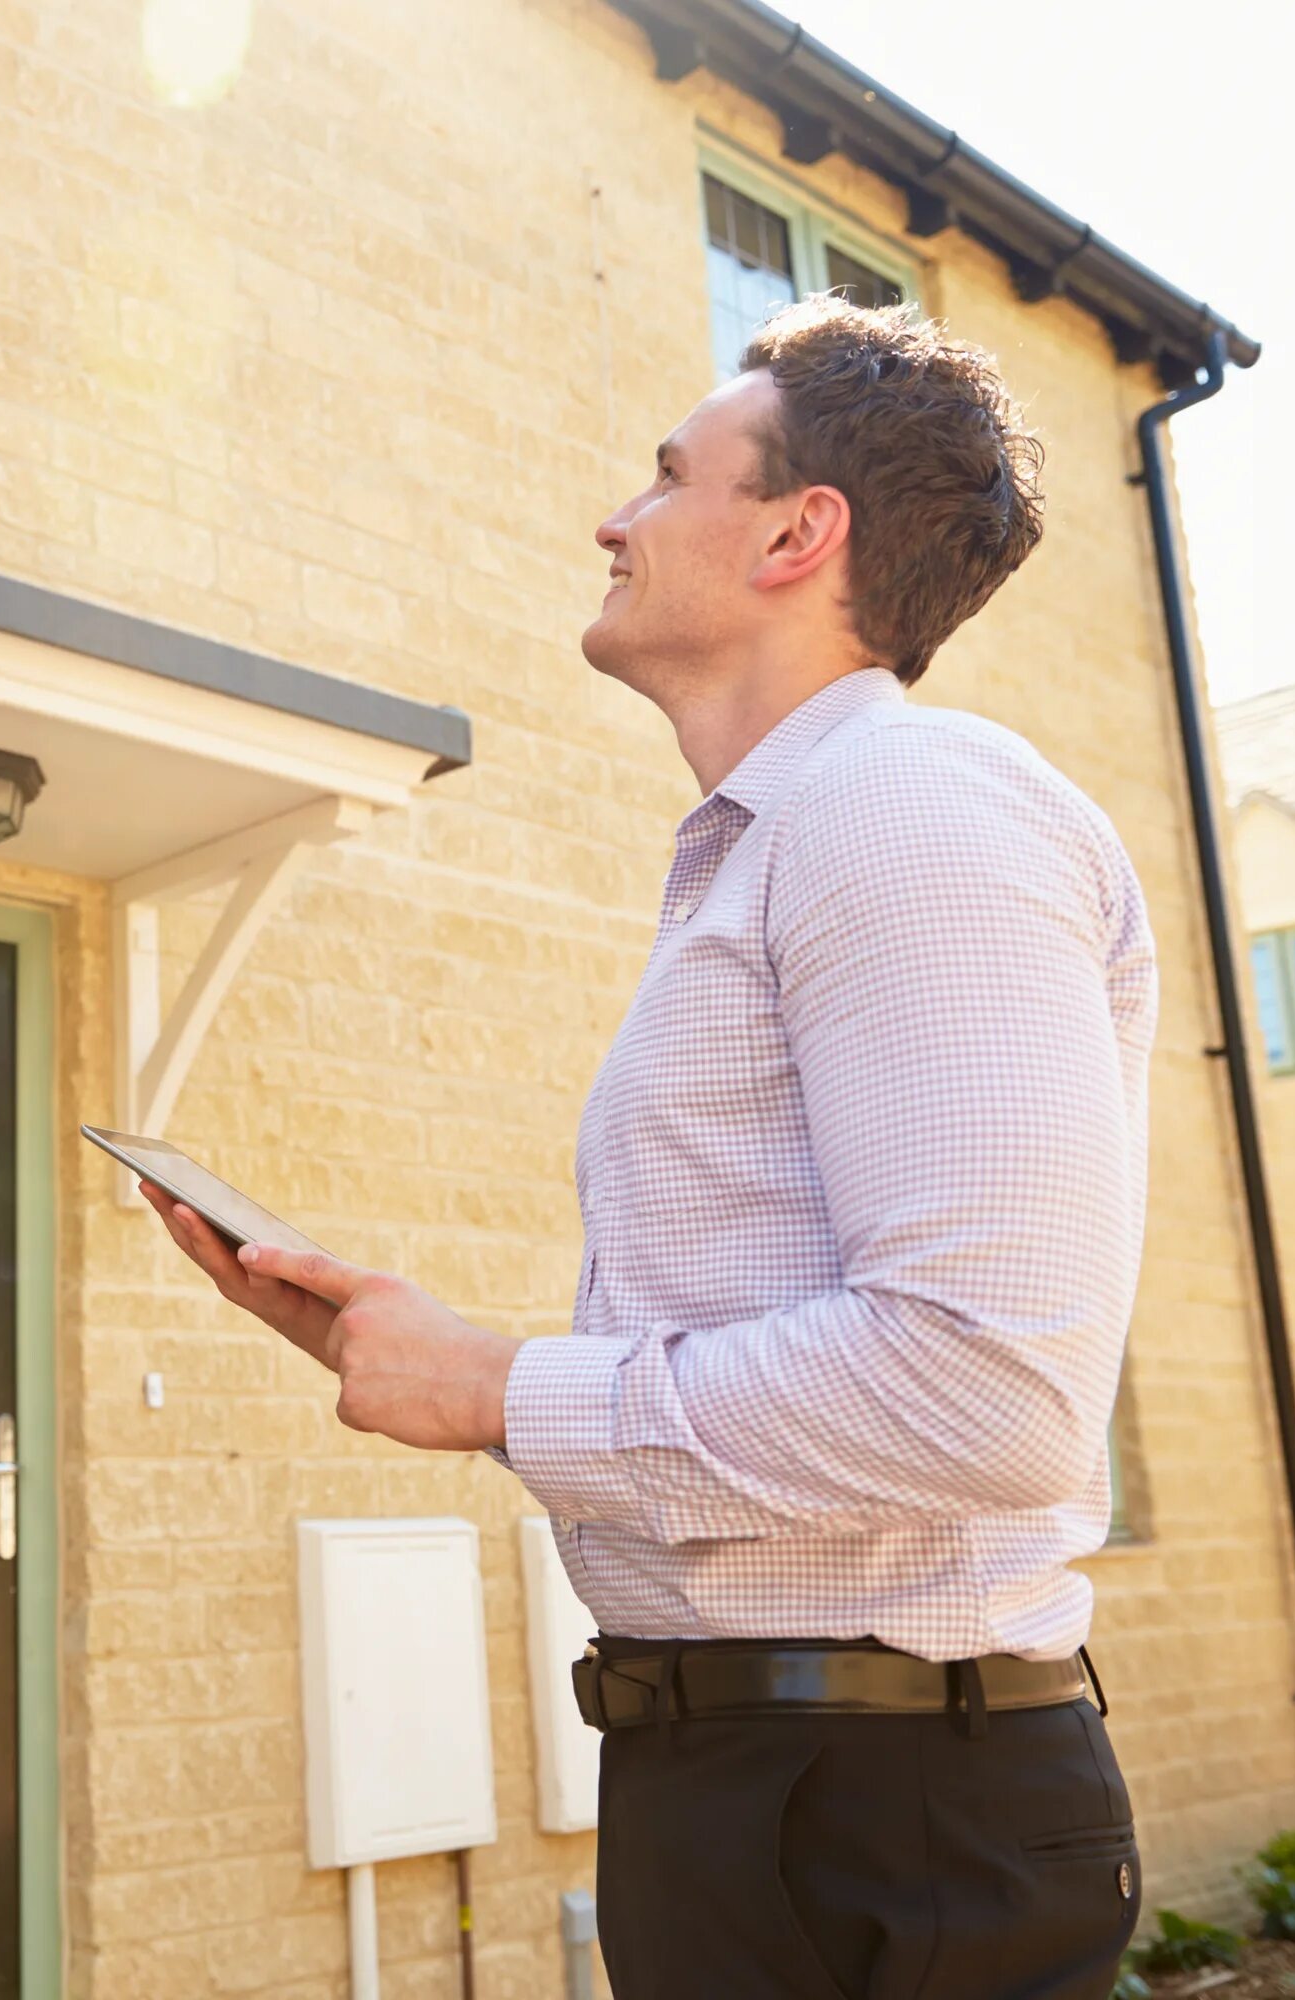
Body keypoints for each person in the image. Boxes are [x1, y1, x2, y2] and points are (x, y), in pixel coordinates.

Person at [146, 294, 1155, 1999]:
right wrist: (431, 1361)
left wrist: (503, 1388)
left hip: (884, 1822)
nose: (615, 518)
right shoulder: (778, 848)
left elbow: (991, 1386)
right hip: (753, 1787)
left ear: (793, 531)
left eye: (666, 476)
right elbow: (789, 1408)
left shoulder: (913, 809)